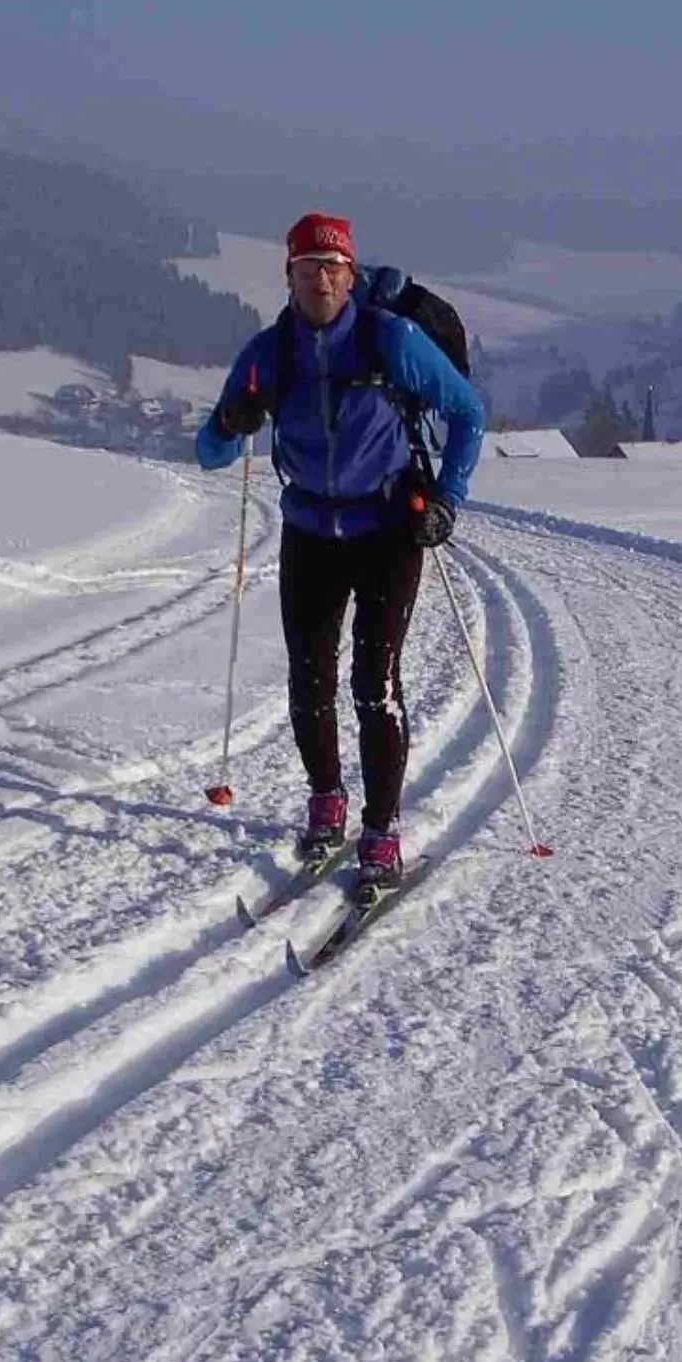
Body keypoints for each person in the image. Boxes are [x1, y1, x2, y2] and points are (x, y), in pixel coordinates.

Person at [193, 212, 485, 891]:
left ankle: (381, 833)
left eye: (332, 268)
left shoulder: (392, 340)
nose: (320, 280)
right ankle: (327, 803)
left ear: (351, 276)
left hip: (388, 529)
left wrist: (447, 498)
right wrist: (231, 421)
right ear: (289, 276)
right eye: (307, 268)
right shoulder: (269, 354)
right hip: (309, 532)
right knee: (308, 678)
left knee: (374, 685)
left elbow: (468, 412)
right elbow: (209, 453)